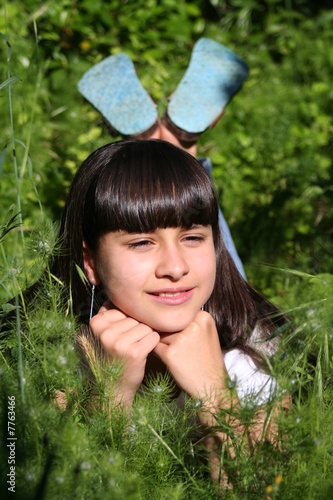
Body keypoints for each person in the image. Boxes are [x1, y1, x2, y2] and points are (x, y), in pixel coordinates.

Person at [51, 138, 290, 482]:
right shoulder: (56, 361)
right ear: (91, 263)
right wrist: (108, 395)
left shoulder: (253, 357)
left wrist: (217, 397)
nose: (175, 267)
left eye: (193, 237)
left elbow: (266, 486)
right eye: (141, 242)